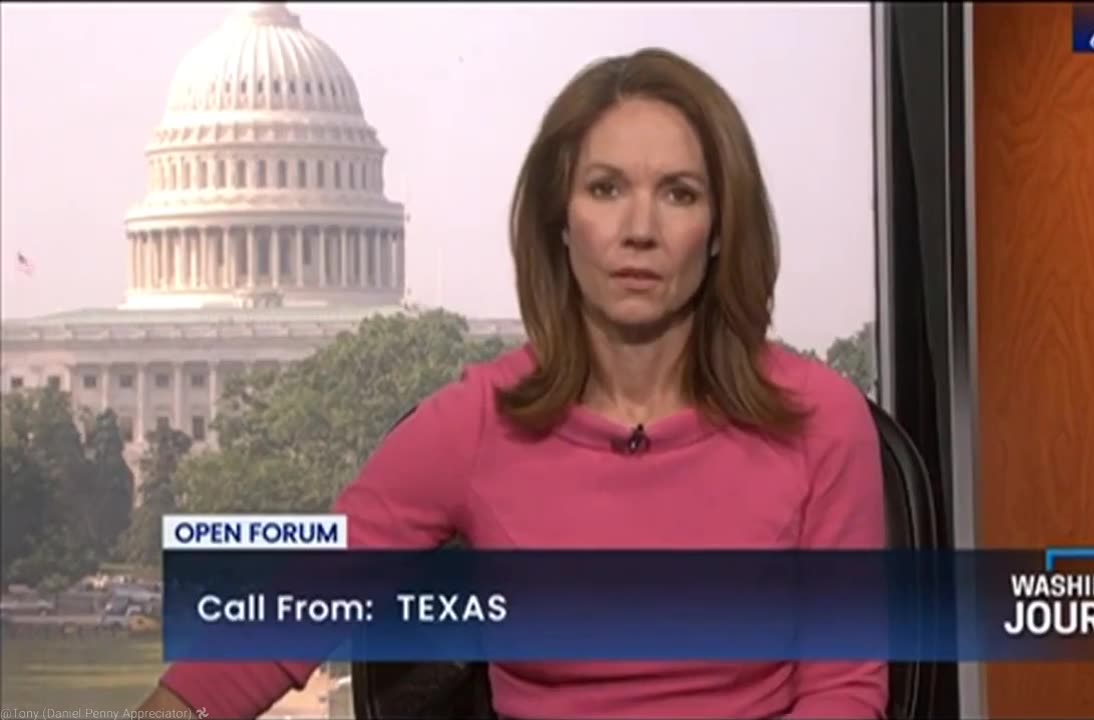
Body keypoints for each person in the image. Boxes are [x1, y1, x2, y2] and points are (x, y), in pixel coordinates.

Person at [137, 46, 887, 720]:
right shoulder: (475, 424)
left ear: (721, 228)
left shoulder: (821, 420)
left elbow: (845, 695)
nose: (639, 229)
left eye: (679, 193)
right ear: (559, 222)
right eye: (604, 189)